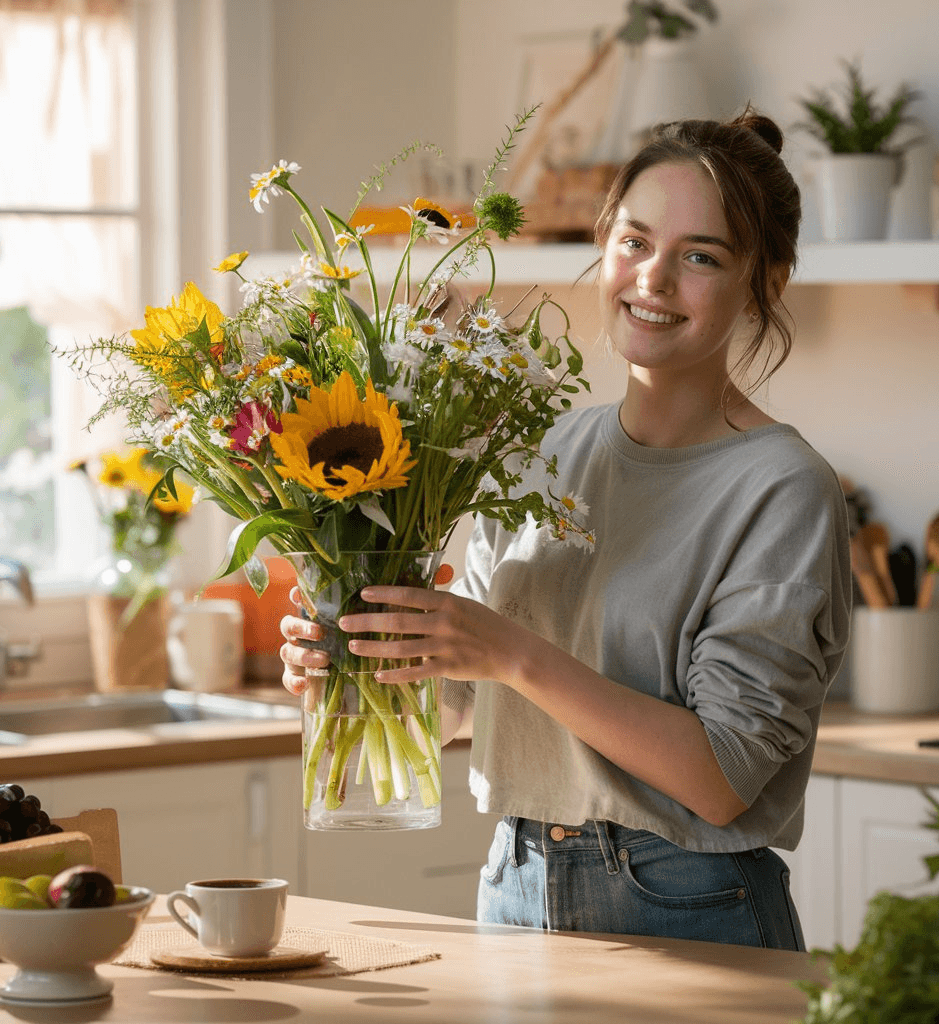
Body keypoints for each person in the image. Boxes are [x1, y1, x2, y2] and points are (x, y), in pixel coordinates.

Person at [279, 107, 852, 951]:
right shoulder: (547, 449)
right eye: (634, 242)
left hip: (689, 908)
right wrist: (357, 658)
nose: (652, 280)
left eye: (700, 257)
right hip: (513, 886)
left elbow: (725, 777)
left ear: (762, 281)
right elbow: (464, 702)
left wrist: (510, 650)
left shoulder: (782, 489)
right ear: (603, 243)